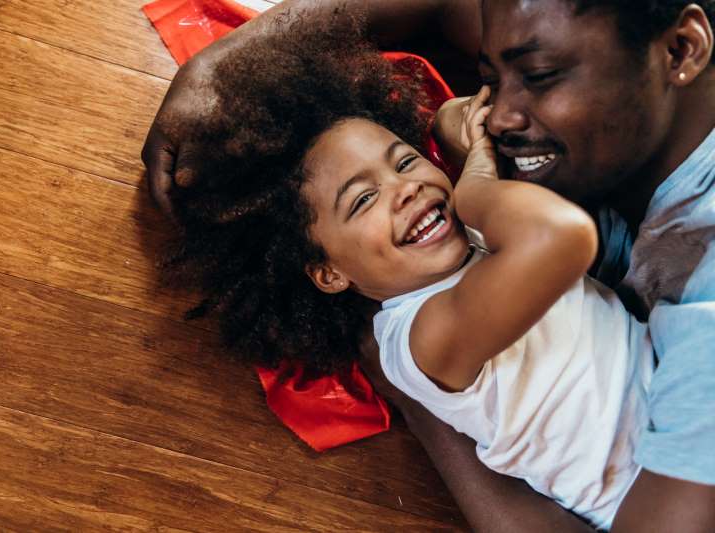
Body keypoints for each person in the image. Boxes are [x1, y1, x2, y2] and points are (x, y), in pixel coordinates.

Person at [142, 1, 715, 531]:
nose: (500, 117)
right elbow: (552, 233)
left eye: (406, 162)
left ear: (683, 49)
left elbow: (553, 234)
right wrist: (221, 63)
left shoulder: (477, 244)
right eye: (363, 199)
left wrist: (468, 173)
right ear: (329, 273)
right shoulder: (422, 335)